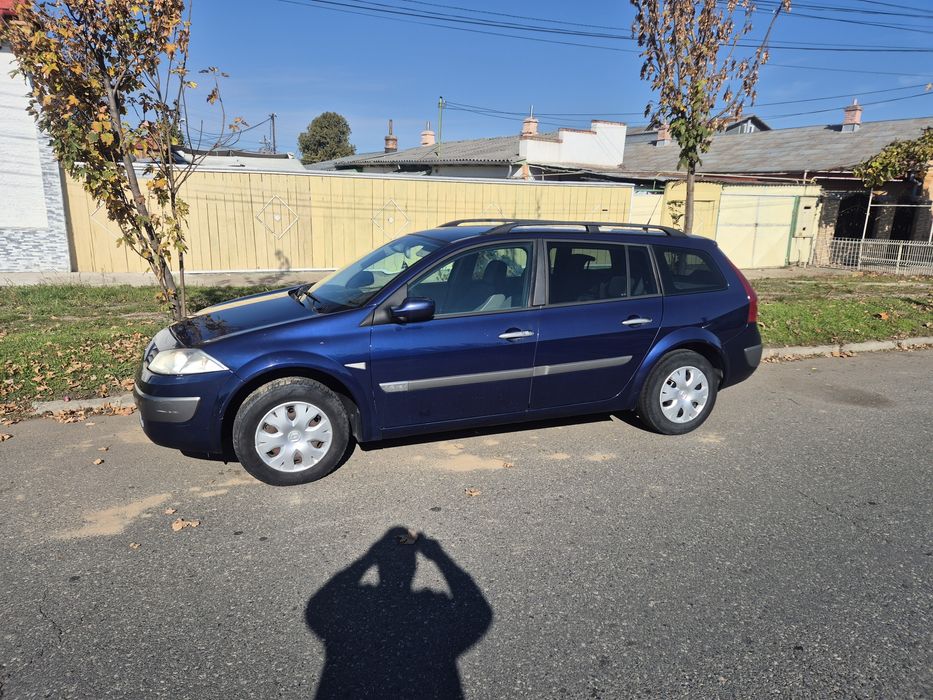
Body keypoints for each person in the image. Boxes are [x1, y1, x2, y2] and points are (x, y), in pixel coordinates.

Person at [306, 527, 493, 699]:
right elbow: (479, 611)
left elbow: (320, 605)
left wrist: (368, 558)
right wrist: (439, 557)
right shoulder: (433, 609)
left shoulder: (357, 609)